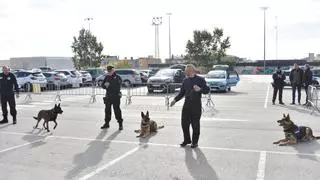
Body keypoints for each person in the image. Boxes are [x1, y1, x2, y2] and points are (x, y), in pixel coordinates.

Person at [170, 64, 210, 148]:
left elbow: (207, 90)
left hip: (196, 106)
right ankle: (187, 140)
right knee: (184, 124)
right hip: (186, 106)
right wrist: (175, 100)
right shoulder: (185, 80)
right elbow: (182, 93)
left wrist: (200, 89)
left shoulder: (200, 79)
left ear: (191, 71)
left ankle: (194, 142)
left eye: (186, 71)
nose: (185, 72)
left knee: (195, 125)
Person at [101, 66, 123, 130]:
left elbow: (118, 86)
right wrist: (105, 86)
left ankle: (120, 124)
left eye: (110, 71)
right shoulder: (107, 77)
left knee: (117, 110)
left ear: (113, 70)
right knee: (107, 110)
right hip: (108, 96)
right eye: (108, 71)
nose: (109, 72)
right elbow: (102, 85)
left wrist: (109, 84)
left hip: (116, 96)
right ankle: (107, 123)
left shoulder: (118, 77)